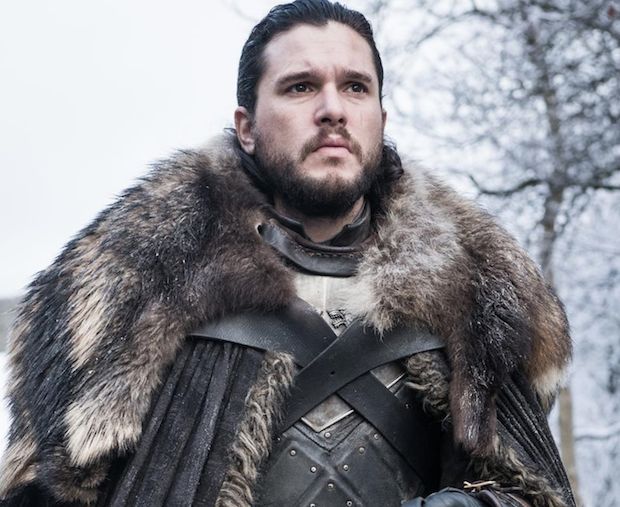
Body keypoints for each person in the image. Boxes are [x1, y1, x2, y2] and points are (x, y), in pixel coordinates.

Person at [0, 1, 575, 506]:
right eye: (300, 87)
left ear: (380, 120)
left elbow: (532, 491)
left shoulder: (474, 288)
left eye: (356, 87)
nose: (333, 109)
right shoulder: (139, 276)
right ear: (246, 128)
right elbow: (48, 487)